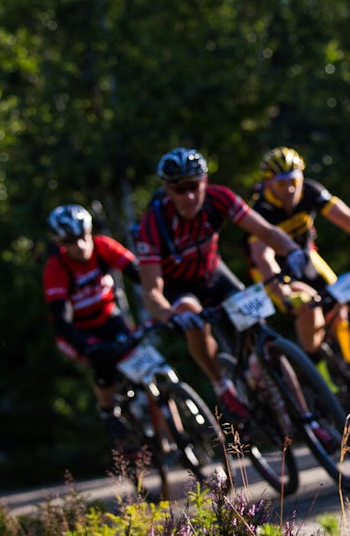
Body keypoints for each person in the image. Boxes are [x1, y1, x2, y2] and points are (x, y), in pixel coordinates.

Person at [131, 147, 313, 426]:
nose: (189, 196)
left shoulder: (218, 198)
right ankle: (221, 384)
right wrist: (172, 316)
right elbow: (151, 292)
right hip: (178, 286)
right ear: (167, 189)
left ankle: (307, 418)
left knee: (262, 331)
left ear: (204, 181)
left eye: (194, 186)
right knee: (194, 320)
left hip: (213, 273)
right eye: (180, 190)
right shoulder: (154, 225)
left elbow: (265, 230)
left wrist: (292, 251)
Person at [245, 146, 350, 369]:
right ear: (268, 183)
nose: (289, 189)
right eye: (281, 183)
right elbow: (263, 257)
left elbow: (348, 219)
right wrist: (283, 293)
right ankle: (319, 377)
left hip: (307, 258)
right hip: (275, 272)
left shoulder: (311, 192)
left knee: (341, 304)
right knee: (310, 307)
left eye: (293, 181)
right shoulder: (260, 210)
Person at [42, 203, 143, 446]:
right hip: (77, 331)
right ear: (60, 244)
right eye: (70, 241)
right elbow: (61, 321)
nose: (80, 246)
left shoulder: (103, 246)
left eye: (83, 237)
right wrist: (87, 345)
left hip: (108, 317)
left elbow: (139, 274)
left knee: (141, 358)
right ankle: (108, 412)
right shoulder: (56, 268)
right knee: (102, 362)